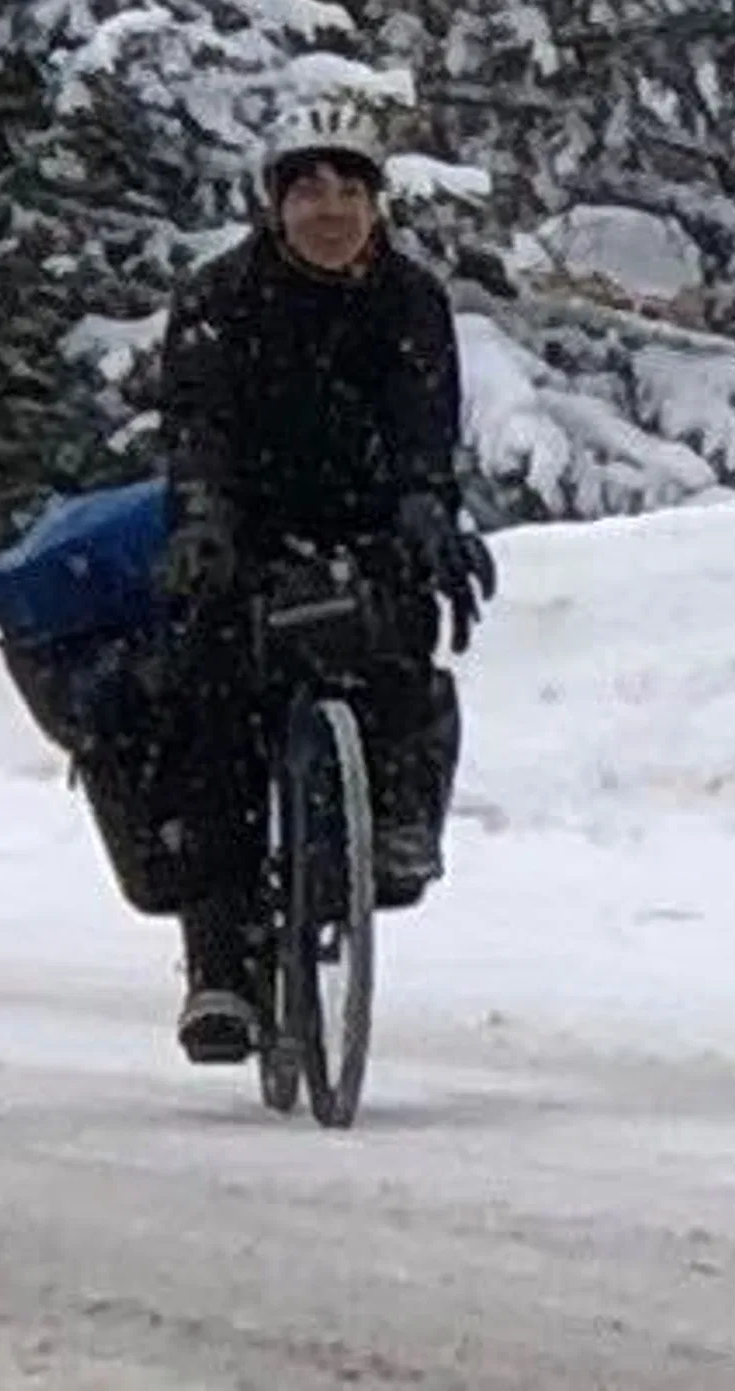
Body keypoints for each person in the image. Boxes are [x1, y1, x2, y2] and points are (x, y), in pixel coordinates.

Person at [153, 104, 495, 1064]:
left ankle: (394, 824)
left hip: (369, 524)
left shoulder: (411, 299)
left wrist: (427, 511)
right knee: (213, 707)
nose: (331, 208)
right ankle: (220, 965)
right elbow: (197, 426)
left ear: (377, 204)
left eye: (350, 189)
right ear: (276, 205)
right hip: (246, 530)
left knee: (403, 640)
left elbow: (426, 423)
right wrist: (206, 522)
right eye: (309, 189)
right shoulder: (219, 298)